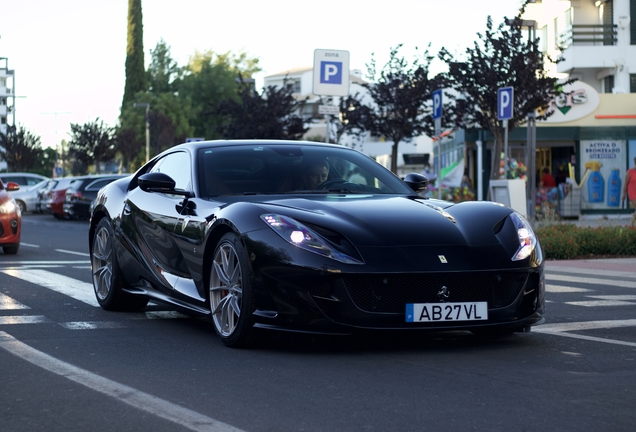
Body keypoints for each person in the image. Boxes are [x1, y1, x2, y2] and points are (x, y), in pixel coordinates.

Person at [622, 156, 636, 226]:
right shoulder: (629, 172)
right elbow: (625, 184)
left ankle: (631, 225)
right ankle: (631, 225)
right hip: (632, 193)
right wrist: (624, 195)